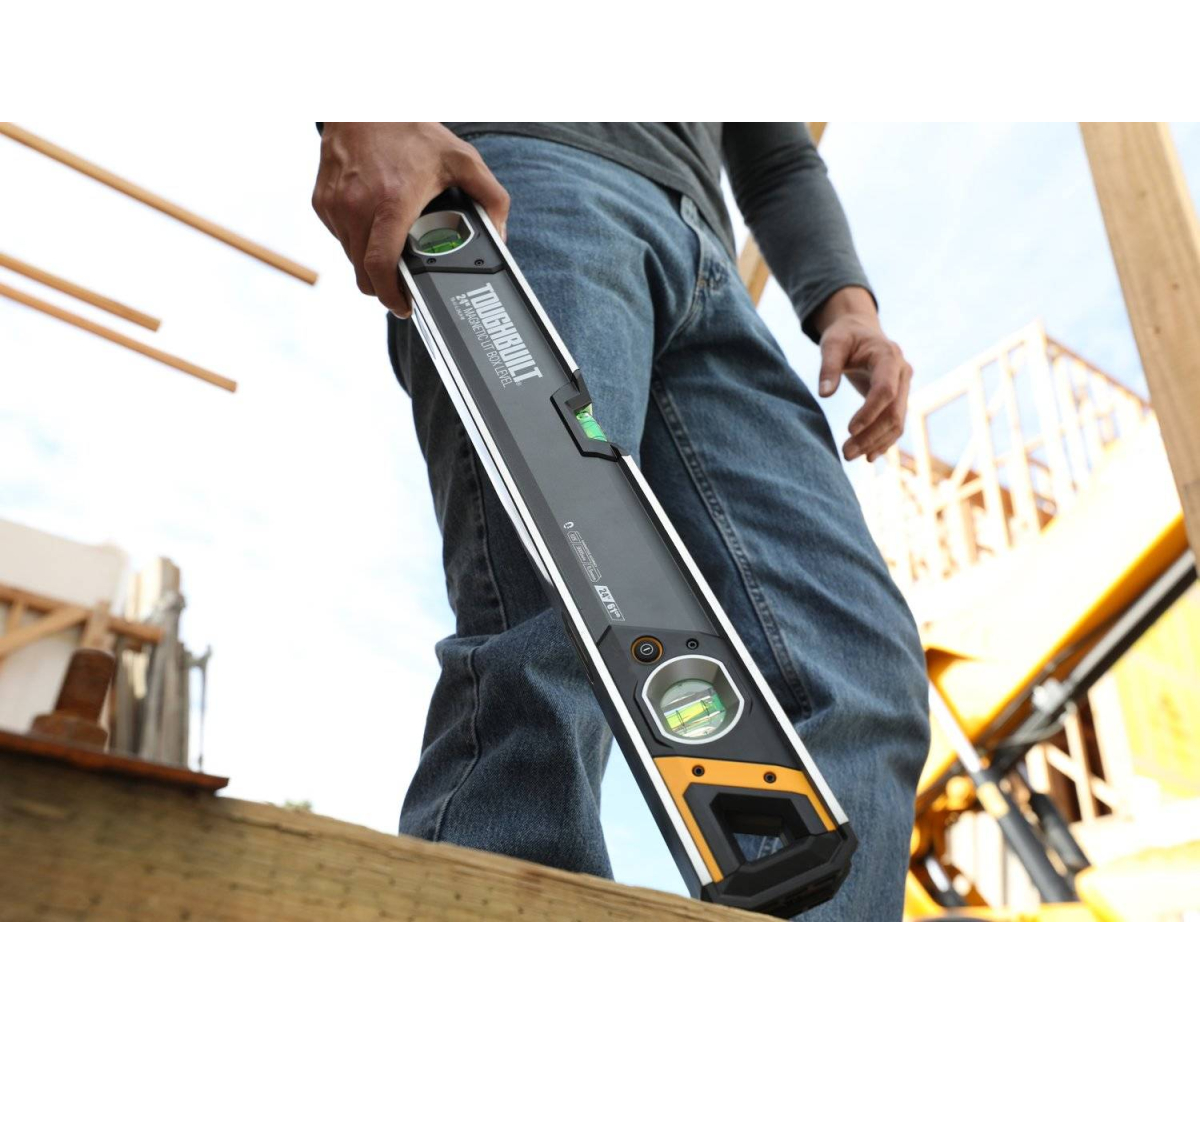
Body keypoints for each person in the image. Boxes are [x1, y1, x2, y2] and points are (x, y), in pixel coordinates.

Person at [311, 123, 930, 920]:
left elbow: (776, 157)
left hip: (709, 259)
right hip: (526, 181)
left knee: (857, 669)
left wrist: (849, 307)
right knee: (549, 637)